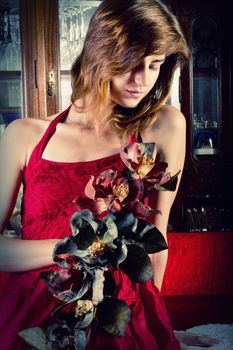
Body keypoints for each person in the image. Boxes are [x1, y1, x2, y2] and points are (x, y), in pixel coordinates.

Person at [0, 0, 218, 349]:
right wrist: (78, 248)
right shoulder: (24, 135)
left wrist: (155, 324)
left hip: (118, 314)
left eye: (155, 65)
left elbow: (156, 241)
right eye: (133, 64)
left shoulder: (162, 127)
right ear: (99, 54)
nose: (144, 80)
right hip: (31, 314)